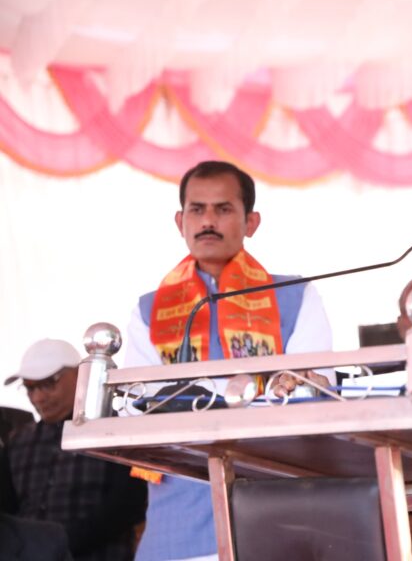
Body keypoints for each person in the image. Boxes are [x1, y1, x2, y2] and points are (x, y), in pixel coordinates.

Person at [121, 160, 332, 561]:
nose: (208, 222)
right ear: (180, 221)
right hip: (178, 520)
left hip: (271, 509)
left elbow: (318, 395)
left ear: (251, 222)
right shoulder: (149, 310)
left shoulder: (295, 296)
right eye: (197, 210)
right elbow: (139, 408)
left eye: (223, 209)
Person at [4, 339, 147, 561]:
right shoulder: (17, 442)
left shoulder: (112, 431)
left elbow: (128, 505)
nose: (38, 397)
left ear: (80, 375)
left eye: (48, 383)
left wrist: (58, 542)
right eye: (30, 388)